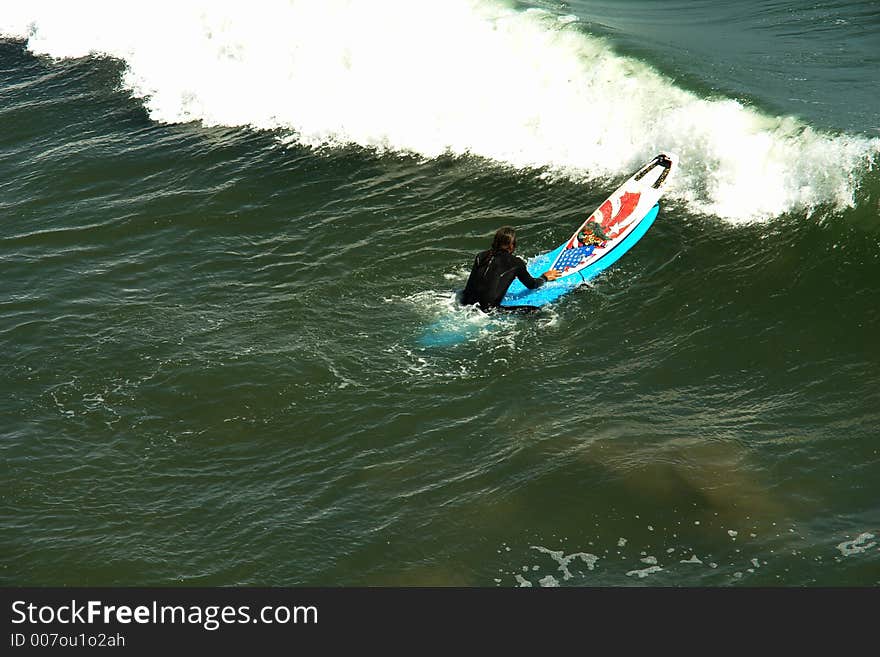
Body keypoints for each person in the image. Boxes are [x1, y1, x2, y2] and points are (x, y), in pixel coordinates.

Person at [460, 226, 560, 312]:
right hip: (488, 311)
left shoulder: (480, 256)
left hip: (465, 304)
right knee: (536, 311)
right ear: (512, 246)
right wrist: (544, 277)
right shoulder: (516, 263)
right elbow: (532, 285)